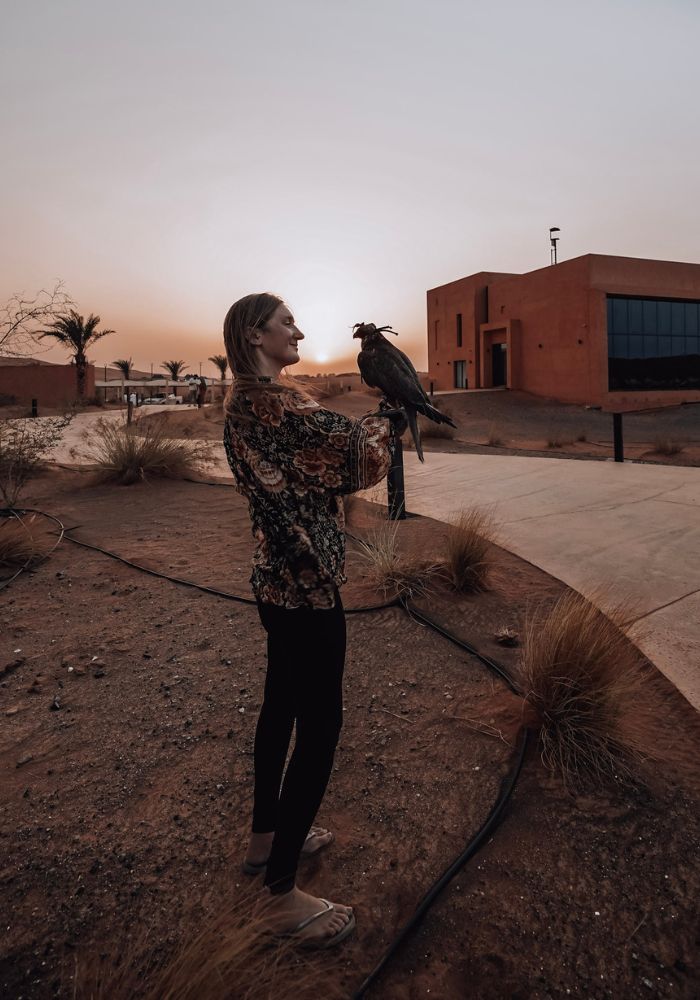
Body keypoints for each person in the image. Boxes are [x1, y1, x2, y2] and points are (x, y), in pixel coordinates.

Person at [222, 293, 406, 949]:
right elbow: (359, 460)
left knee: (281, 708)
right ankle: (278, 895)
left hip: (275, 581)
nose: (298, 331)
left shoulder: (243, 404)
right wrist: (397, 419)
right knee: (320, 723)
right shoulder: (275, 404)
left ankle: (265, 838)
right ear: (254, 334)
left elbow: (325, 463)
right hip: (307, 589)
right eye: (285, 322)